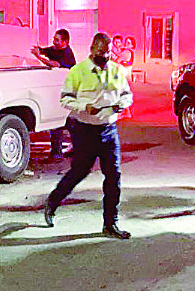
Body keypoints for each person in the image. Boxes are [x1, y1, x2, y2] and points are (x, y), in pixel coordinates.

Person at [43, 32, 134, 239]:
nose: (106, 56)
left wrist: (121, 105)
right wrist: (86, 106)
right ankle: (53, 202)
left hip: (109, 130)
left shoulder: (117, 70)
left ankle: (110, 223)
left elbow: (127, 94)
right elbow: (65, 99)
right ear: (92, 49)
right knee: (79, 172)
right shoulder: (78, 71)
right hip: (84, 129)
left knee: (114, 175)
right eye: (102, 52)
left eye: (109, 52)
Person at [31, 29, 78, 159]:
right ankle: (73, 149)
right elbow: (45, 50)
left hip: (68, 92)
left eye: (57, 40)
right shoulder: (55, 49)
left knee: (60, 122)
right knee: (67, 122)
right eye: (54, 39)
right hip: (59, 91)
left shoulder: (67, 54)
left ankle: (57, 153)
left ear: (65, 41)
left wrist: (38, 57)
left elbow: (55, 64)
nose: (54, 42)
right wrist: (37, 50)